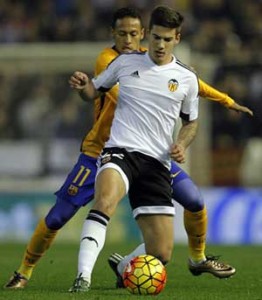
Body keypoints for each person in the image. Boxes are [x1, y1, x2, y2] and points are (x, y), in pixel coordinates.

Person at [4, 6, 252, 290]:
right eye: (121, 33)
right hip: (104, 150)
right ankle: (26, 271)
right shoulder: (113, 61)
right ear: (113, 33)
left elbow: (187, 85)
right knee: (61, 214)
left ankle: (193, 259)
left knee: (193, 200)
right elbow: (128, 95)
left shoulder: (164, 63)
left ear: (143, 34)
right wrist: (158, 86)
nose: (127, 39)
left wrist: (225, 99)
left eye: (134, 34)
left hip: (153, 154)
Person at [66, 5, 236, 293]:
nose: (159, 45)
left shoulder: (186, 78)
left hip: (156, 163)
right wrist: (84, 86)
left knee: (162, 253)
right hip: (121, 151)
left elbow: (191, 123)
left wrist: (181, 143)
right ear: (150, 35)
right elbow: (94, 92)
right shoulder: (125, 63)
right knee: (105, 201)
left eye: (166, 39)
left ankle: (123, 267)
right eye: (156, 37)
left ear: (177, 38)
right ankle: (83, 277)